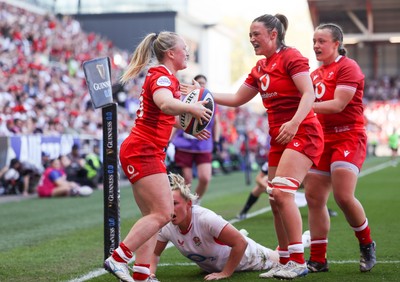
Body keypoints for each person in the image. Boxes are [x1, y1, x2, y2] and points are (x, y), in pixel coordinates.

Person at [183, 14, 324, 280]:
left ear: (273, 34)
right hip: (279, 138)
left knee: (282, 193)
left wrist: (294, 123)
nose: (251, 39)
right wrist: (204, 93)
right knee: (274, 199)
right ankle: (284, 259)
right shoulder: (260, 68)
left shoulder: (291, 56)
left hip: (302, 131)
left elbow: (309, 93)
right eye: (250, 35)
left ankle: (298, 261)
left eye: (256, 34)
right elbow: (237, 98)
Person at [103, 31, 212, 282]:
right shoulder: (161, 76)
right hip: (143, 150)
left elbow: (165, 115)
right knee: (163, 214)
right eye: (185, 48)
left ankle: (142, 273)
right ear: (171, 53)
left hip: (144, 150)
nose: (188, 52)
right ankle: (118, 258)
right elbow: (164, 104)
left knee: (153, 216)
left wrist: (188, 126)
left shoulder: (167, 77)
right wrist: (191, 107)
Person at [303, 23, 376, 273]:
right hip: (322, 138)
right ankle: (318, 259)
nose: (316, 45)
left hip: (348, 136)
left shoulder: (348, 67)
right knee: (314, 198)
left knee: (343, 196)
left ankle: (366, 244)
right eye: (314, 41)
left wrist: (304, 107)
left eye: (321, 41)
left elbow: (338, 105)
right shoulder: (314, 74)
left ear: (336, 44)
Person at [149, 173, 279, 281]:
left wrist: (225, 273)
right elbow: (154, 253)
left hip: (255, 257)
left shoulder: (205, 218)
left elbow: (240, 242)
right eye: (167, 204)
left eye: (175, 203)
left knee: (284, 261)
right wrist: (150, 274)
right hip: (219, 265)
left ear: (188, 203)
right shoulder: (167, 225)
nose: (170, 208)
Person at [170, 74, 221, 204]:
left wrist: (216, 141)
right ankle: (185, 205)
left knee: (205, 178)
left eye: (203, 83)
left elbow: (217, 122)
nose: (201, 85)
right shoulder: (185, 100)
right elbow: (176, 120)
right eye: (199, 83)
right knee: (186, 179)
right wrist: (169, 140)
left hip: (203, 145)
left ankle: (195, 202)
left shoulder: (211, 103)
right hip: (184, 145)